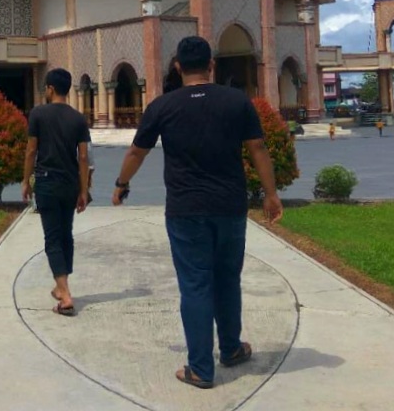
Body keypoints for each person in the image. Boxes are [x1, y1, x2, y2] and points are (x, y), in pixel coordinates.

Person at [112, 36, 283, 389]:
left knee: (195, 286)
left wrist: (121, 184)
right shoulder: (237, 101)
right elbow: (257, 147)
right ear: (211, 65)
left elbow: (137, 153)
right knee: (227, 279)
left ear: (177, 67)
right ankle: (232, 349)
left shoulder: (163, 106)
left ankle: (201, 369)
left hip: (186, 210)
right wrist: (271, 194)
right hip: (230, 207)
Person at [21, 68, 91, 317]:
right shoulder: (78, 118)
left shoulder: (38, 113)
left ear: (50, 88)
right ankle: (62, 286)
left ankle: (65, 295)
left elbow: (31, 151)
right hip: (70, 184)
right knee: (66, 235)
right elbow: (83, 157)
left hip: (47, 182)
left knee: (52, 238)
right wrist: (84, 190)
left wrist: (26, 180)